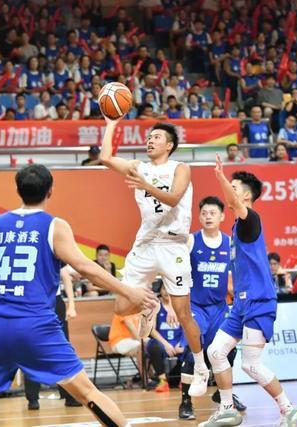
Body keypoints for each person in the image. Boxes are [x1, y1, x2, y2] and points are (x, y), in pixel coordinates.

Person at [0, 164, 155, 427]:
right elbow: (86, 268)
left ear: (18, 190)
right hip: (36, 326)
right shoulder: (54, 226)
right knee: (87, 393)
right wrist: (129, 291)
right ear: (50, 191)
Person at [99, 119, 210, 397]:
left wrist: (145, 185)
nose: (150, 140)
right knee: (121, 306)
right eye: (149, 137)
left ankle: (200, 367)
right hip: (146, 244)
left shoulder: (180, 168)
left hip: (173, 246)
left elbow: (173, 199)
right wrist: (111, 123)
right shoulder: (140, 167)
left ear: (169, 145)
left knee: (183, 314)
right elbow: (105, 158)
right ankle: (149, 304)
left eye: (157, 137)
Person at [200, 158, 297, 426]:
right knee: (215, 352)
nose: (230, 192)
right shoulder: (237, 227)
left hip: (259, 302)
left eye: (234, 187)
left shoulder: (250, 219)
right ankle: (227, 409)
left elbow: (232, 201)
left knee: (251, 364)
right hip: (241, 305)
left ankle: (289, 409)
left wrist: (220, 176)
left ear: (245, 196)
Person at [179, 196, 246, 420]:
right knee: (194, 352)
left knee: (229, 350)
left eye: (212, 213)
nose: (208, 217)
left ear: (222, 216)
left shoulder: (230, 243)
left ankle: (222, 393)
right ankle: (185, 402)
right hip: (196, 306)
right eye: (204, 213)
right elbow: (175, 269)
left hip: (219, 307)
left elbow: (237, 275)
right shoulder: (191, 241)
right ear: (199, 217)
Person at [24, 265, 80, 410]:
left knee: (62, 349)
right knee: (31, 350)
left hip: (55, 302)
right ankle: (32, 397)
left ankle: (69, 395)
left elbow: (66, 277)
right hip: (32, 302)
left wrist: (71, 305)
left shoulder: (54, 255)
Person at [148, 281, 185, 393]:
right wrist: (166, 344)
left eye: (169, 288)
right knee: (153, 345)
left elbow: (188, 327)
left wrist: (182, 343)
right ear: (160, 290)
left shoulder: (181, 305)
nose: (166, 291)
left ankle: (185, 380)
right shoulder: (155, 305)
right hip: (163, 342)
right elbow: (151, 329)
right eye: (164, 288)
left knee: (194, 344)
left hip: (178, 342)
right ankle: (163, 381)